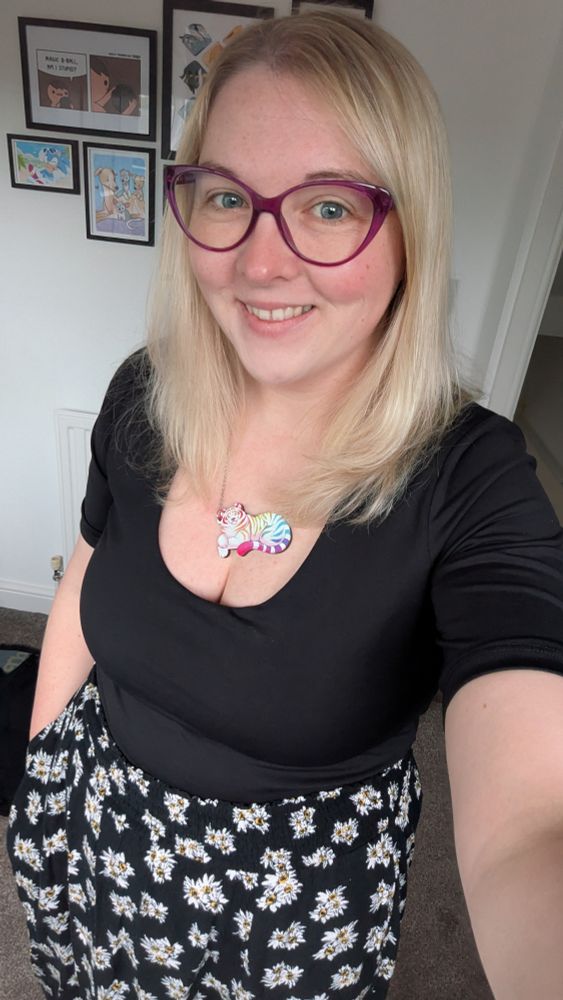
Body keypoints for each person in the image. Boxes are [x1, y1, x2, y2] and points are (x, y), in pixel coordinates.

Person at [7, 11, 563, 999]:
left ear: (409, 229)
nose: (261, 263)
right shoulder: (145, 393)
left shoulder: (468, 478)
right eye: (228, 197)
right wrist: (44, 758)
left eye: (329, 206)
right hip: (96, 834)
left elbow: (530, 824)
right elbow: (90, 562)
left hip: (287, 917)